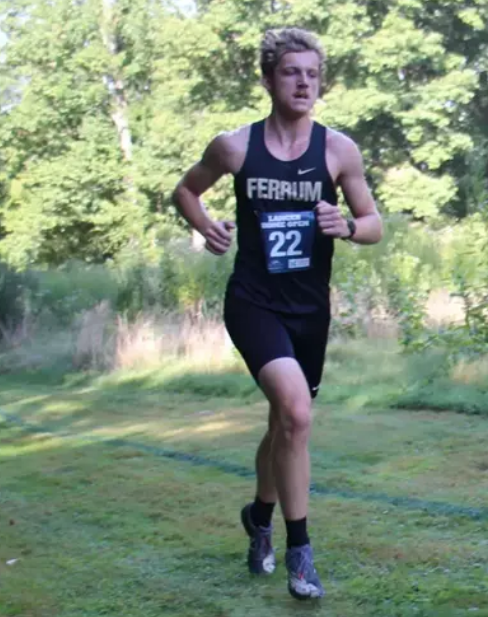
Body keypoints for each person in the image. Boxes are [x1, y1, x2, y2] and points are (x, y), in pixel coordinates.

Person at [172, 28, 383, 600]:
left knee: (283, 425)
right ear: (268, 79)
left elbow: (373, 224)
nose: (303, 83)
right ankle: (301, 553)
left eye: (312, 74)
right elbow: (185, 191)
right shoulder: (235, 147)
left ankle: (258, 519)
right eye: (292, 72)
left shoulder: (338, 151)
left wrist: (349, 226)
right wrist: (206, 225)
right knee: (296, 413)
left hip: (309, 310)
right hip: (254, 302)